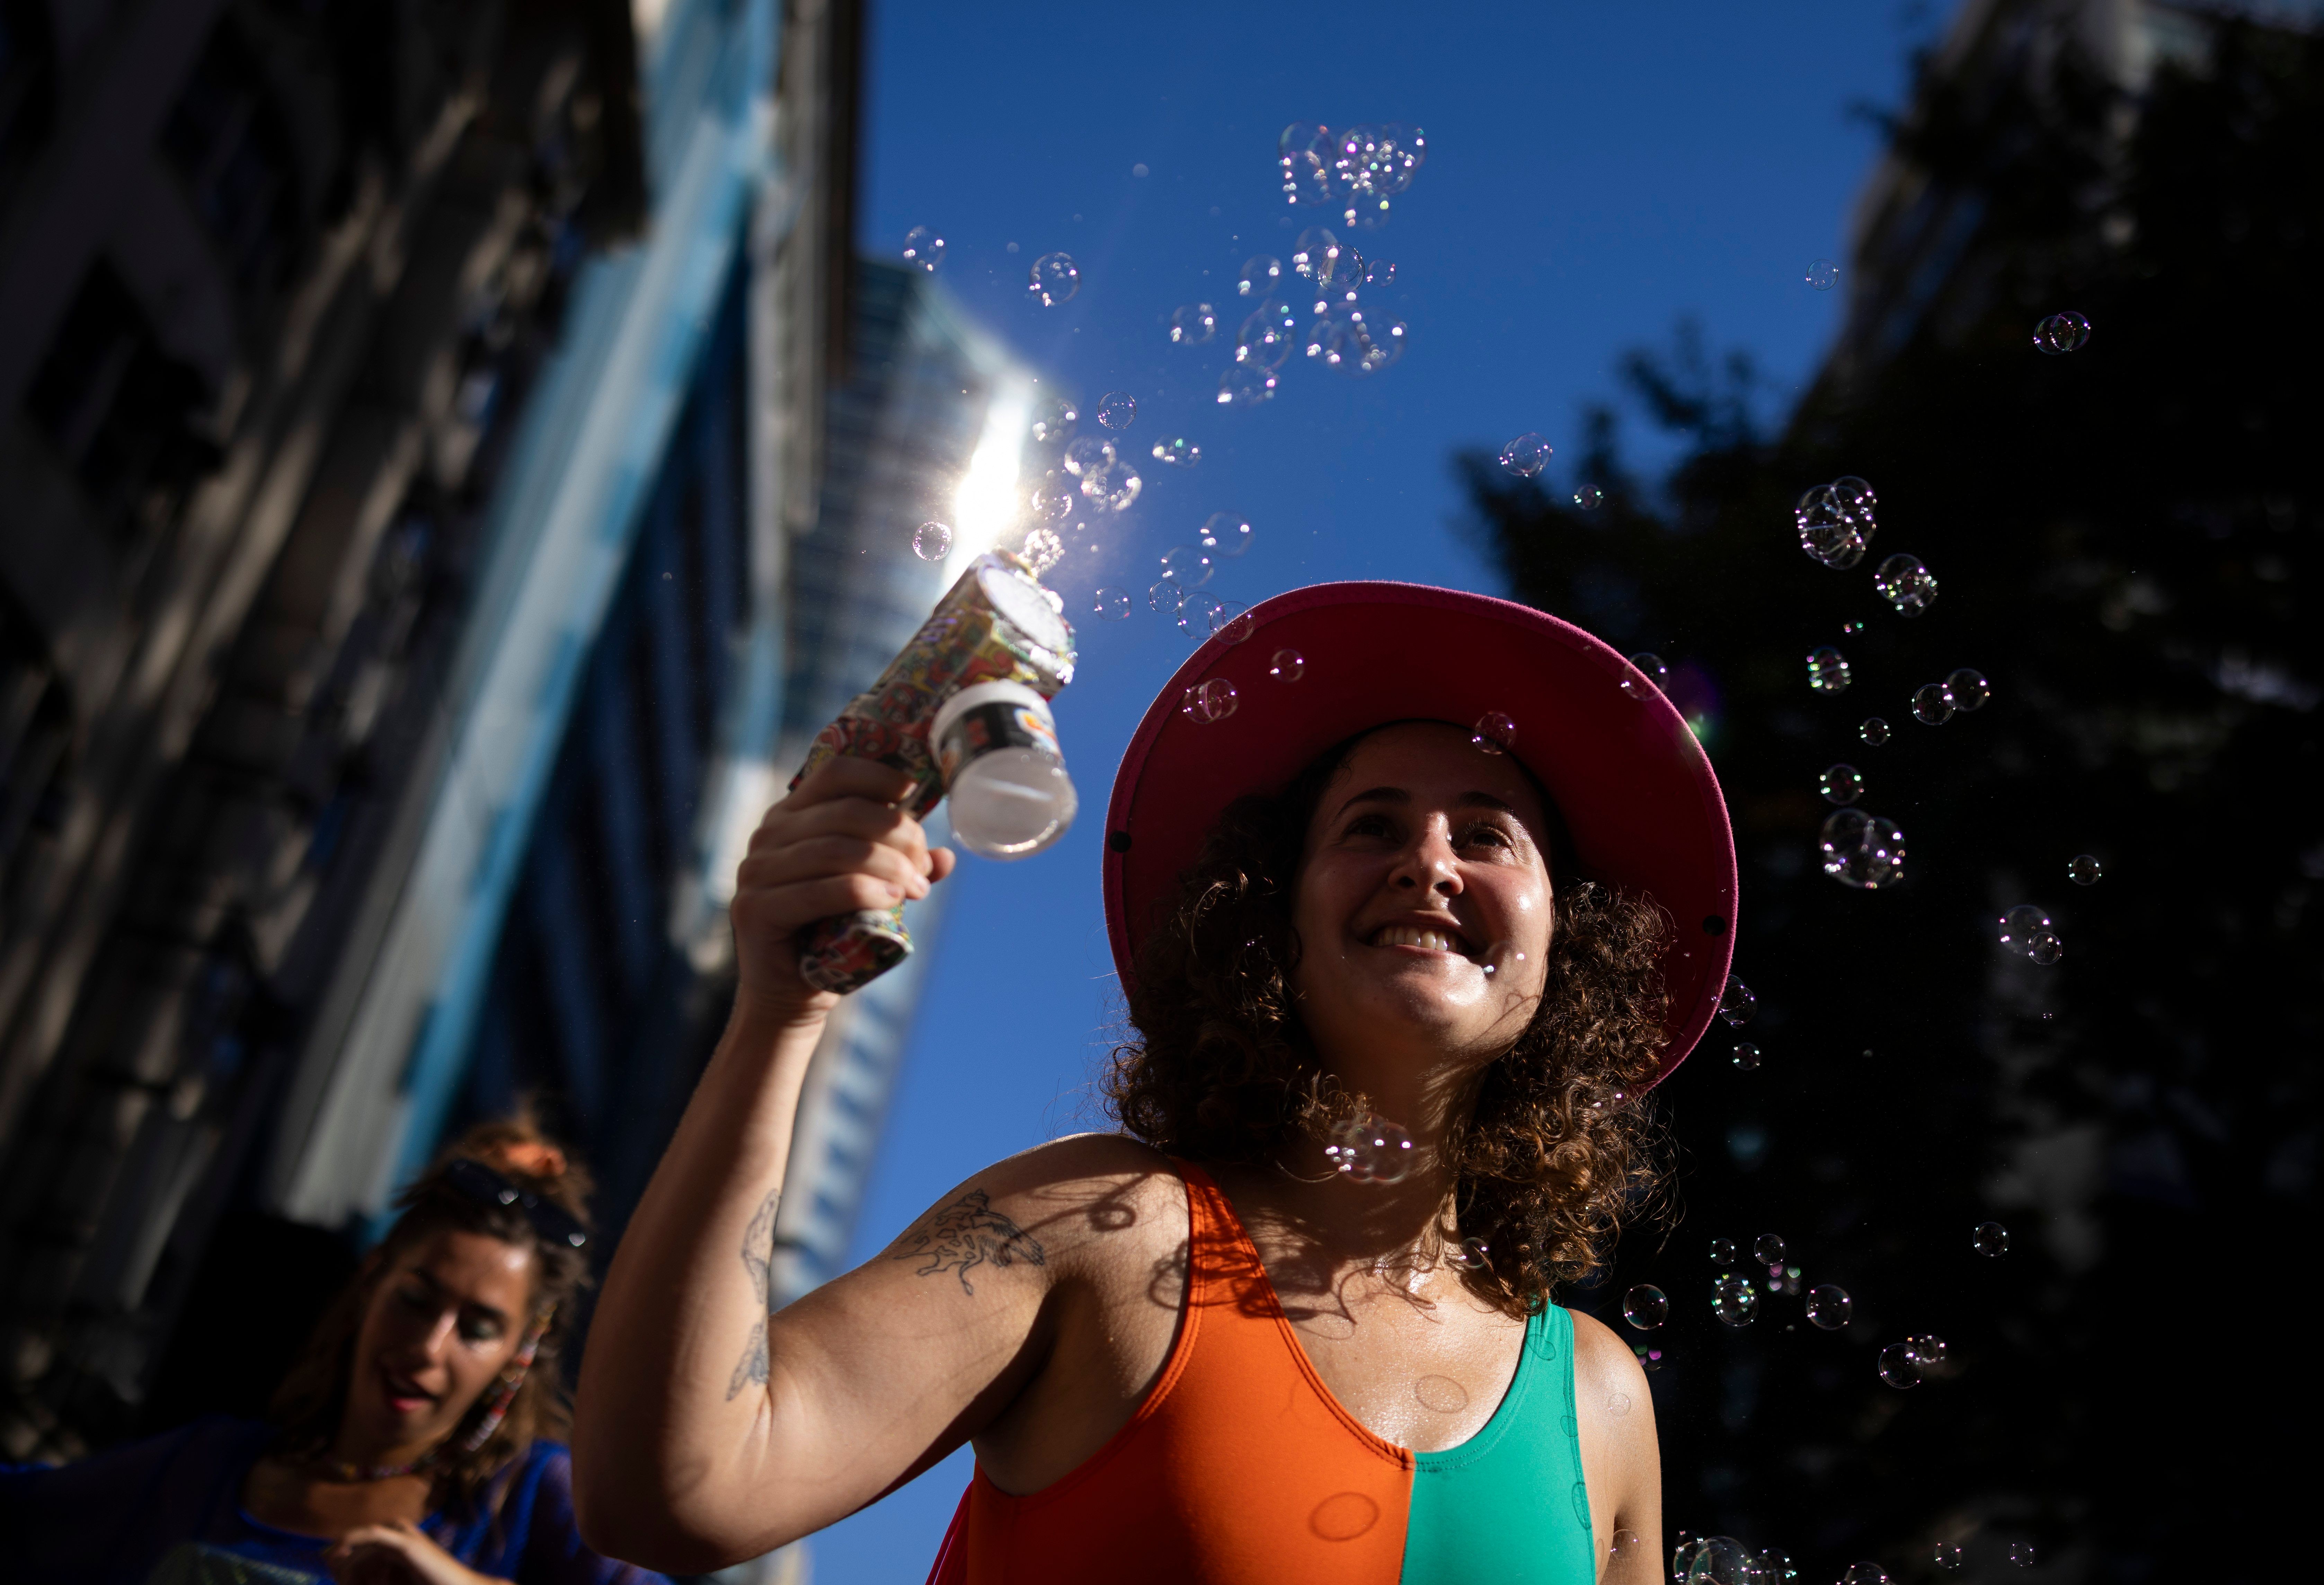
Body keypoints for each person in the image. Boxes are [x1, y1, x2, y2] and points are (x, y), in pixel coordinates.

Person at [573, 582, 1738, 1583]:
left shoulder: (1598, 1395)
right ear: (1270, 920)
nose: (1428, 859)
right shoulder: (1102, 1230)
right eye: (1372, 825)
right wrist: (782, 1016)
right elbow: (676, 1490)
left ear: (1572, 950)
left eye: (1487, 836)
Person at [1, 1118, 670, 1585]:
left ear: (520, 1352)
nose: (427, 1348)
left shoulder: (530, 1504)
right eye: (416, 1299)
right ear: (372, 1278)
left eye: (477, 1328)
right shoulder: (206, 1468)